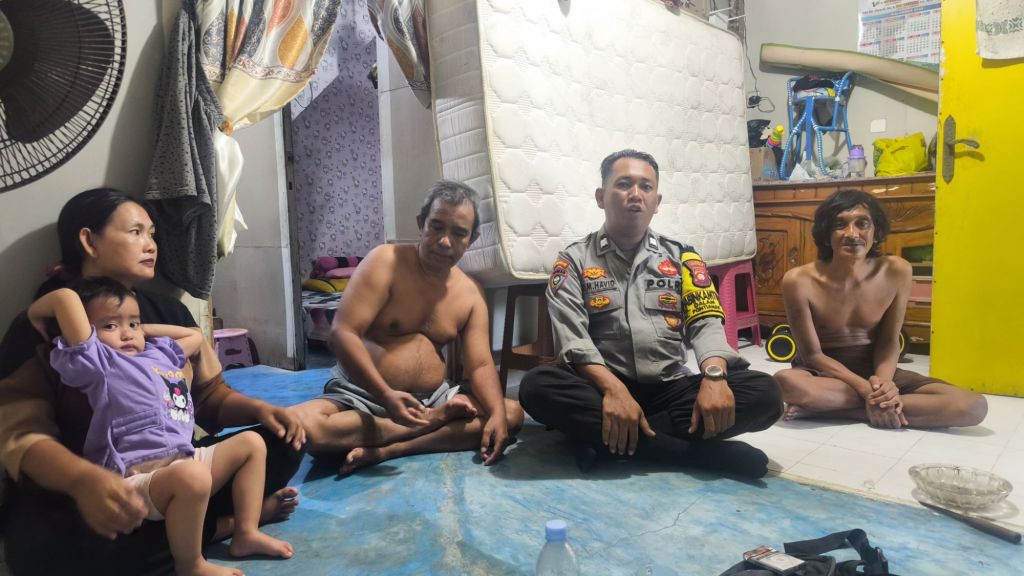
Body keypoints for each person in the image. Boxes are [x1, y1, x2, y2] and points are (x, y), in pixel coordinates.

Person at [0, 188, 305, 575]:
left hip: (173, 465)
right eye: (136, 232)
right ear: (89, 241)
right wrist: (82, 480)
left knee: (283, 441)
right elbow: (20, 434)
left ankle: (203, 530)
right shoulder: (45, 325)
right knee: (51, 550)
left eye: (153, 234)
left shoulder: (170, 312)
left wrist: (262, 410)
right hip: (87, 486)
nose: (151, 245)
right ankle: (219, 527)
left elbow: (209, 398)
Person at [518, 150, 782, 479]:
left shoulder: (683, 258)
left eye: (646, 187)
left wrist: (714, 377)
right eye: (623, 184)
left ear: (656, 202)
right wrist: (615, 391)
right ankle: (694, 455)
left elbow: (705, 324)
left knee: (766, 394)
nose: (635, 194)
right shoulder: (573, 260)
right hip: (601, 387)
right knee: (536, 387)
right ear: (601, 197)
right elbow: (574, 340)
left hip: (669, 388)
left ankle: (602, 440)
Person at [28, 278, 293, 575]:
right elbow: (65, 298)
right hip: (135, 477)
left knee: (252, 444)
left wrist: (144, 329)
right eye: (110, 326)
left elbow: (194, 337)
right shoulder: (98, 362)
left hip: (183, 459)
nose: (127, 333)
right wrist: (36, 313)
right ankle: (190, 564)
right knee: (192, 477)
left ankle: (246, 533)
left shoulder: (158, 354)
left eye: (133, 323)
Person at [293, 180, 524, 474]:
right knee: (305, 428)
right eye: (436, 226)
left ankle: (392, 448)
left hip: (433, 398)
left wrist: (497, 415)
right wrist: (385, 395)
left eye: (458, 233)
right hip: (363, 395)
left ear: (472, 238)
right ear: (420, 223)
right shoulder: (385, 261)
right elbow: (342, 334)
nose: (445, 241)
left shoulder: (471, 293)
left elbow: (479, 365)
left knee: (510, 414)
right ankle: (432, 423)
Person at [774, 189, 987, 428]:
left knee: (973, 406)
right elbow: (813, 355)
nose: (852, 233)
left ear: (876, 233)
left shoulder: (897, 271)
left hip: (876, 369)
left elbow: (889, 340)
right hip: (826, 375)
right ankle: (872, 406)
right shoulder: (798, 280)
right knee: (785, 383)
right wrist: (866, 390)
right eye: (840, 225)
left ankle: (836, 411)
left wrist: (883, 384)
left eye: (862, 223)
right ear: (826, 234)